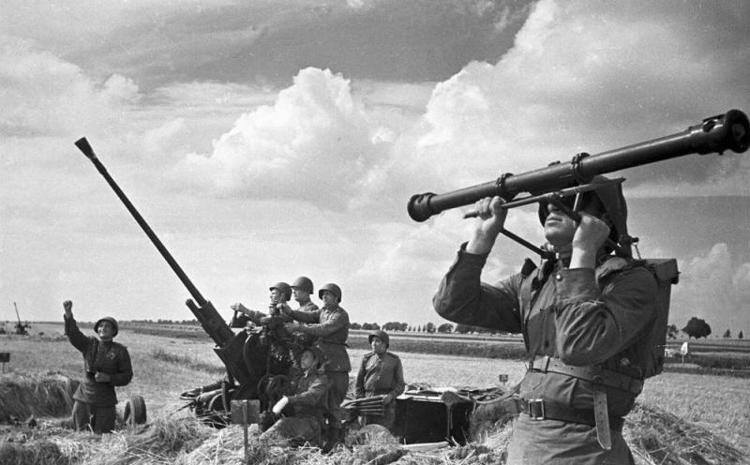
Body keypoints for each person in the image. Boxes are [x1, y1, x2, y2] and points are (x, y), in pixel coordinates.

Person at [433, 178, 659, 464]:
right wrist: (481, 240)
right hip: (527, 442)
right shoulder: (536, 283)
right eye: (546, 202)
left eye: (569, 199)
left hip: (587, 450)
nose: (551, 206)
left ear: (602, 219)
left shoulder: (631, 281)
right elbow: (453, 304)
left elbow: (580, 346)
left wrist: (583, 253)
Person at [282, 282, 350, 449]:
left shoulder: (340, 315)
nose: (324, 297)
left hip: (336, 365)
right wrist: (291, 312)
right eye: (323, 295)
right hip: (323, 362)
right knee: (319, 401)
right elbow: (308, 316)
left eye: (328, 295)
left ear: (337, 298)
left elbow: (324, 329)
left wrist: (299, 327)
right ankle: (320, 437)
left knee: (333, 403)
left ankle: (334, 441)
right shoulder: (323, 311)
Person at [62, 300, 133, 434]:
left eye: (107, 326)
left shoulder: (120, 351)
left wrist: (109, 378)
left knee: (103, 436)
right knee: (79, 434)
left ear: (113, 331)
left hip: (105, 401)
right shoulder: (90, 344)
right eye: (100, 326)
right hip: (84, 397)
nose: (103, 328)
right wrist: (68, 314)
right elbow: (73, 334)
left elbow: (127, 376)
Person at [259, 346, 329, 448]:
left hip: (312, 423)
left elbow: (311, 397)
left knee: (284, 424)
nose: (302, 359)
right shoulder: (301, 378)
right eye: (302, 356)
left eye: (307, 356)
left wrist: (288, 400)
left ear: (315, 361)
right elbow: (289, 390)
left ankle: (258, 445)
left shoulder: (321, 380)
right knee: (266, 420)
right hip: (298, 420)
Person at [354, 329, 405, 433]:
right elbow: (358, 383)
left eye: (377, 341)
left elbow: (401, 385)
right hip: (368, 401)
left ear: (385, 344)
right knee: (365, 432)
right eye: (372, 341)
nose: (373, 344)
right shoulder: (366, 359)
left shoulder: (394, 360)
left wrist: (390, 396)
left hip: (385, 403)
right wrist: (361, 401)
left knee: (382, 433)